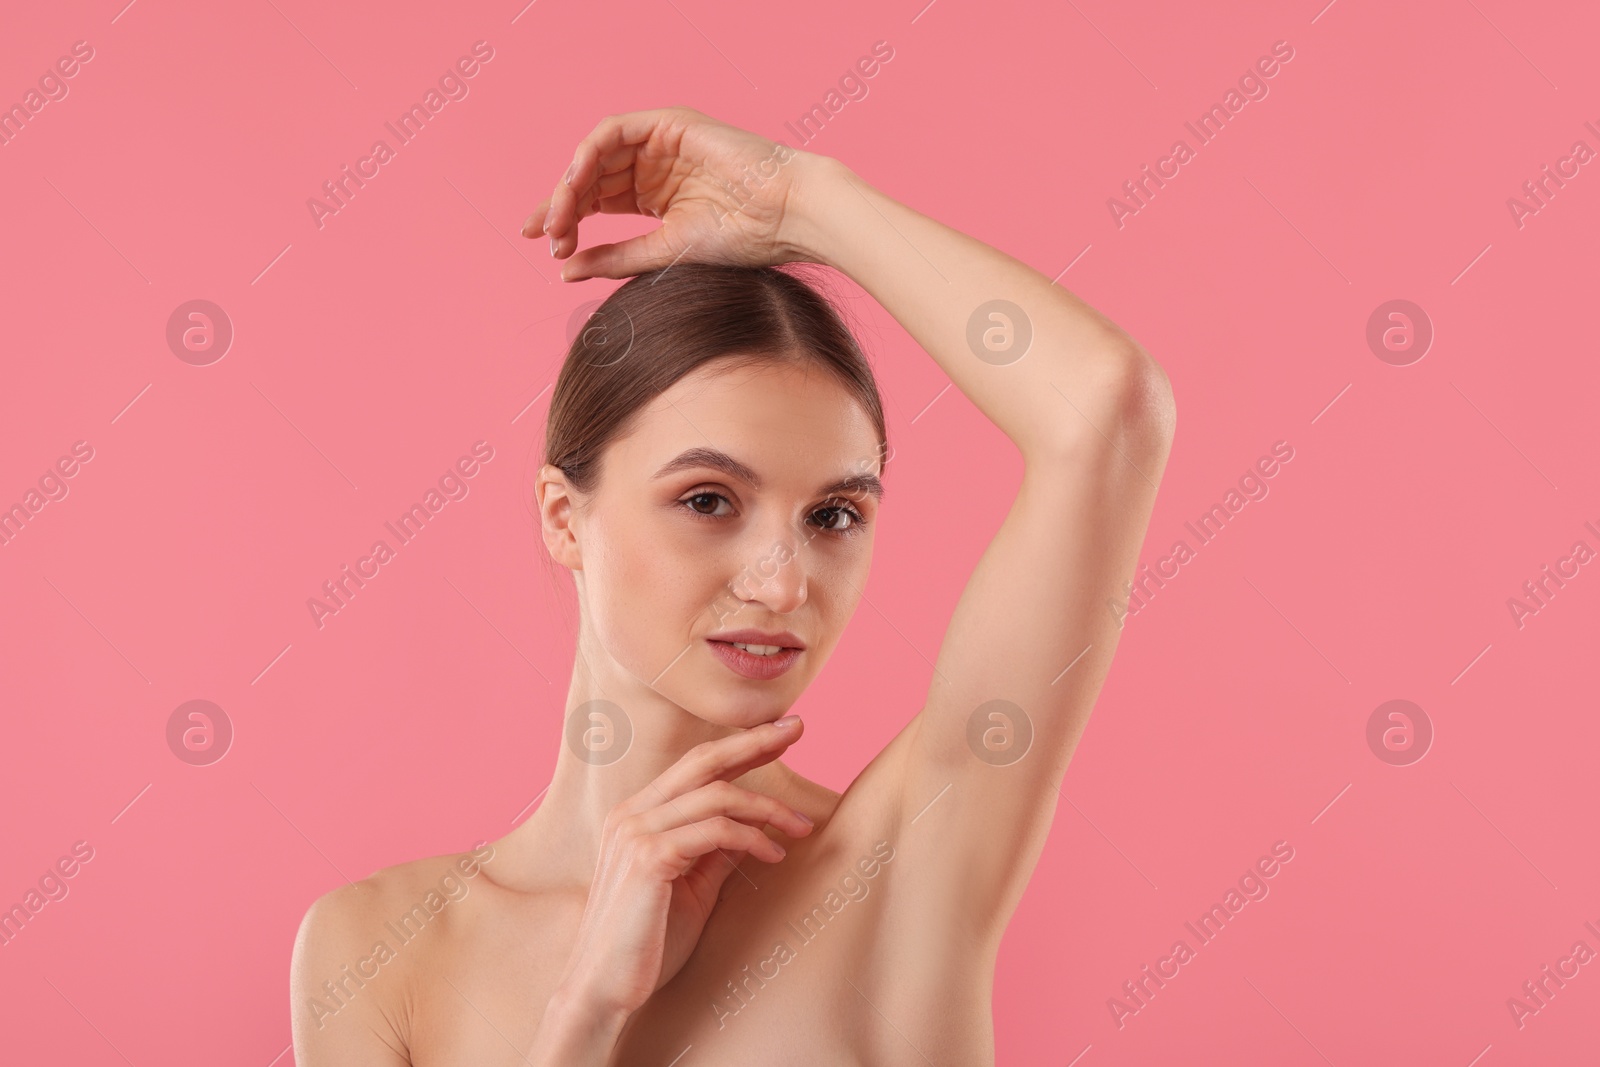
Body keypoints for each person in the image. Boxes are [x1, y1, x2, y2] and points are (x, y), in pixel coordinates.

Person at [290, 106, 1176, 1065]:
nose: (782, 580)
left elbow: (1106, 409)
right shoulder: (376, 952)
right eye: (709, 499)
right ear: (563, 515)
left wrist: (803, 199)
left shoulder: (900, 871)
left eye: (833, 515)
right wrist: (585, 1014)